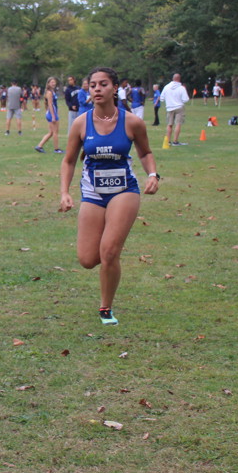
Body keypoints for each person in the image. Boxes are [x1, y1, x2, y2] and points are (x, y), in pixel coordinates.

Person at [59, 66, 160, 325]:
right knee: (87, 259)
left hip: (124, 191)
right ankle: (106, 263)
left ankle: (106, 308)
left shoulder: (132, 122)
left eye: (103, 84)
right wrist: (64, 192)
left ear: (115, 88)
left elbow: (145, 153)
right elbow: (69, 160)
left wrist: (152, 174)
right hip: (92, 193)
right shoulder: (81, 123)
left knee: (109, 252)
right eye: (93, 85)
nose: (97, 89)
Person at [160, 73, 190, 146]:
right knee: (178, 124)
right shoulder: (181, 88)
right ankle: (175, 141)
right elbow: (186, 99)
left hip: (169, 107)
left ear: (173, 78)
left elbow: (162, 98)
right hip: (179, 107)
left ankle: (168, 141)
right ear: (179, 79)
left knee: (169, 124)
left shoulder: (166, 87)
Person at [34, 76, 62, 153]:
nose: (53, 83)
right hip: (51, 114)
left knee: (51, 133)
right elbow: (50, 104)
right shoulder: (49, 93)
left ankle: (39, 146)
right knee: (55, 132)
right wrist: (53, 116)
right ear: (48, 83)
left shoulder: (52, 92)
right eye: (52, 82)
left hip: (52, 113)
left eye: (54, 82)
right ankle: (56, 149)